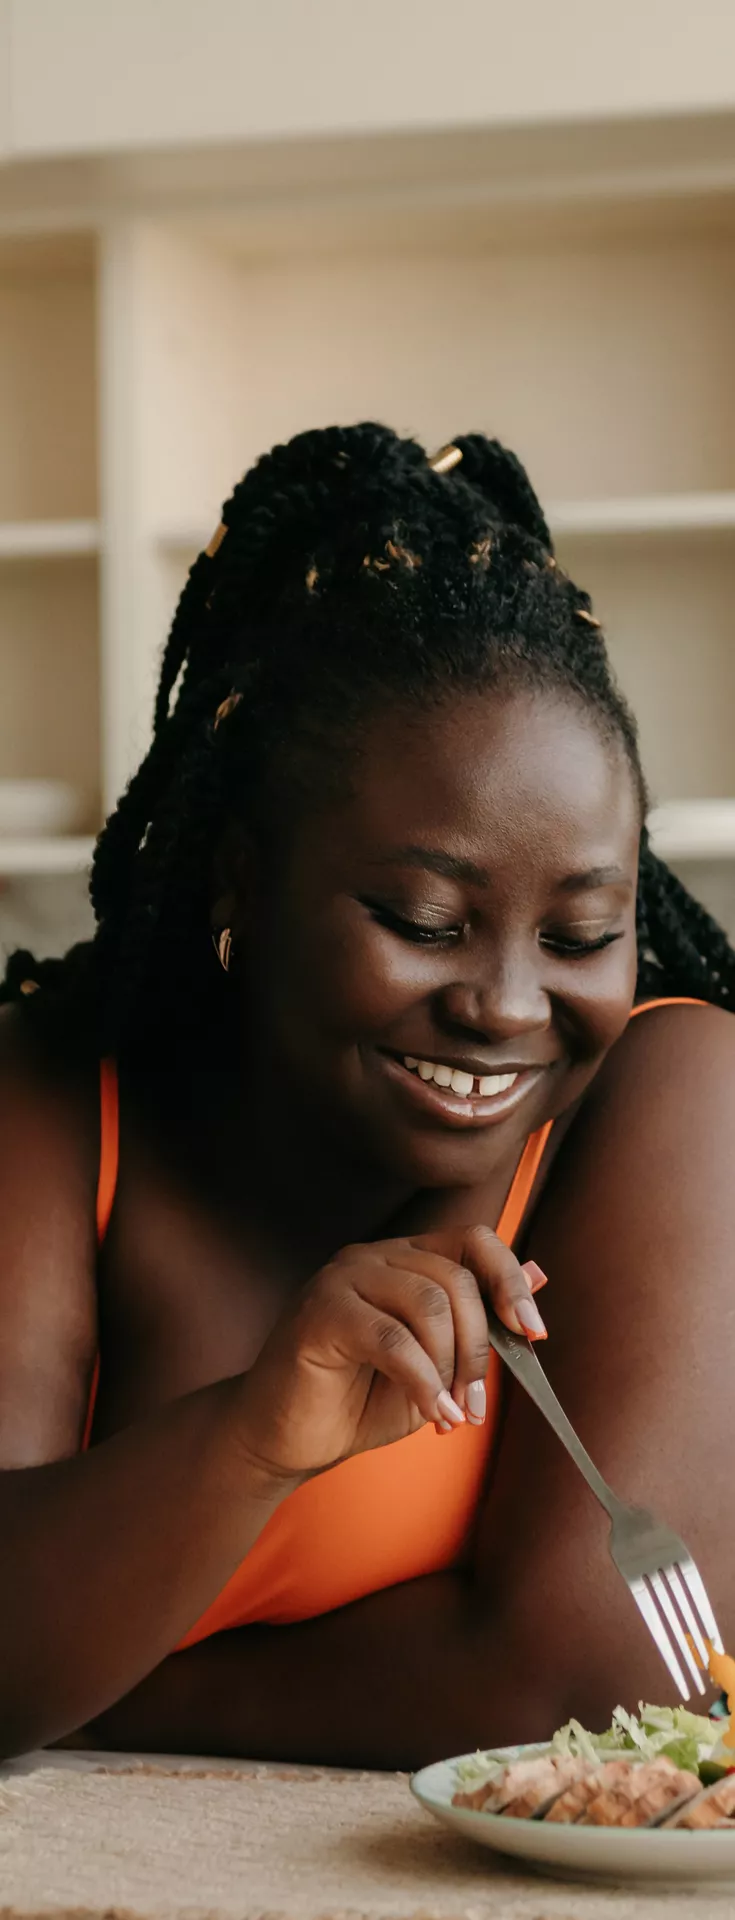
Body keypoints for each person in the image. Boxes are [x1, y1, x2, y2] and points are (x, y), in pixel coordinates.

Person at [1, 424, 734, 1769]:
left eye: (579, 936)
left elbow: (595, 1684)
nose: (508, 1007)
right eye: (420, 916)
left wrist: (111, 1688)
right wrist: (248, 1438)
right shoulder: (57, 1096)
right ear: (241, 883)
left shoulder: (671, 1091)